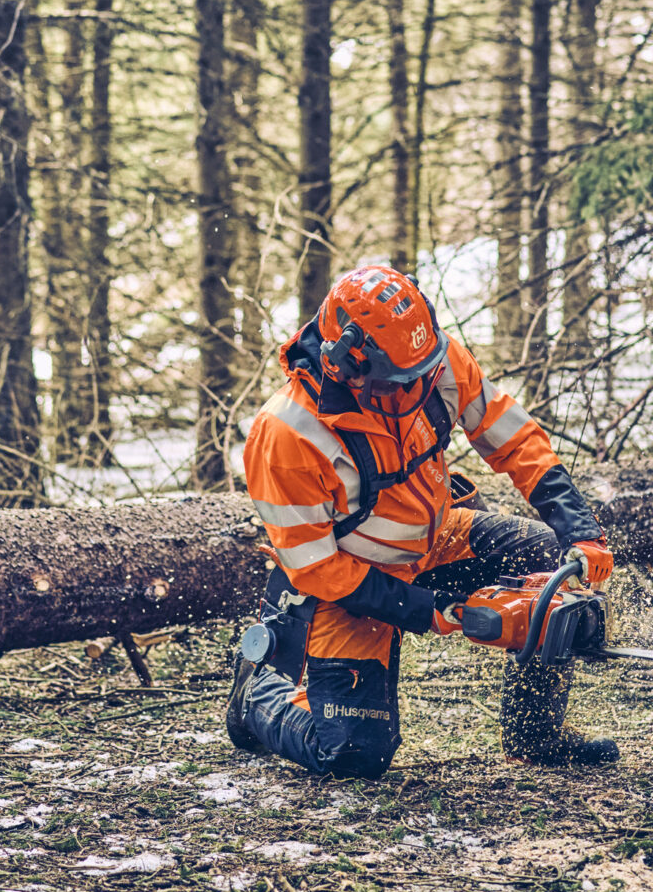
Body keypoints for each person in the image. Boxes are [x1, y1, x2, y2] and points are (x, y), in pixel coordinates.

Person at [225, 264, 619, 777]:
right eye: (402, 383)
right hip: (345, 583)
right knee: (353, 755)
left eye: (424, 372)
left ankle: (535, 735)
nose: (419, 390)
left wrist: (579, 528)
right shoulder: (286, 435)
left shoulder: (432, 361)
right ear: (347, 364)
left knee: (540, 558)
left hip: (432, 540)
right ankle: (259, 694)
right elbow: (318, 568)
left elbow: (515, 440)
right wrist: (431, 611)